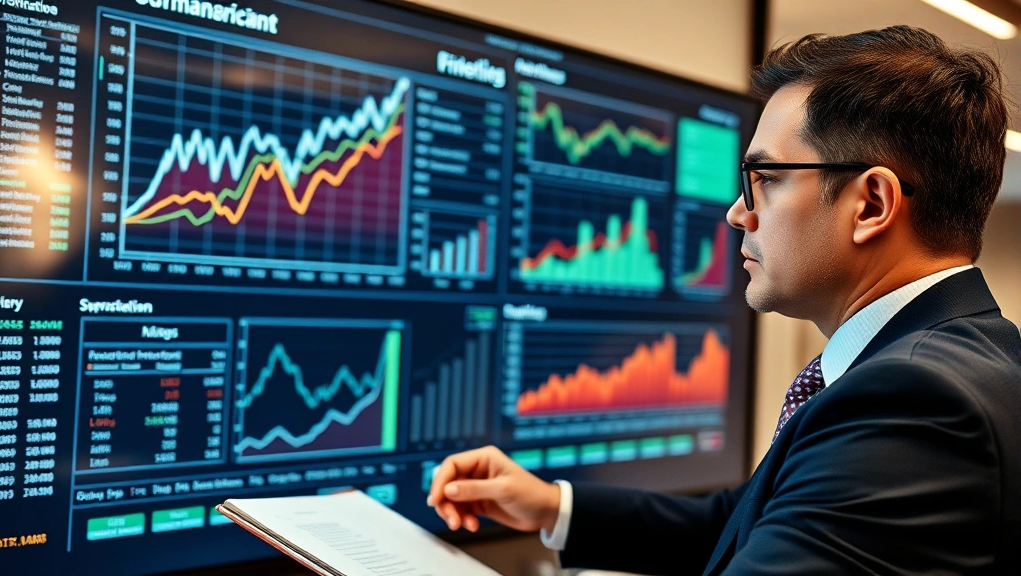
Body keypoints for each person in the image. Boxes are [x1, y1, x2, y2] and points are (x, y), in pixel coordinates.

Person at [426, 25, 1021, 575]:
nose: (738, 214)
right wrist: (553, 506)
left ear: (870, 204)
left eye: (764, 178)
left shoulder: (914, 402)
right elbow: (752, 521)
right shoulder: (965, 359)